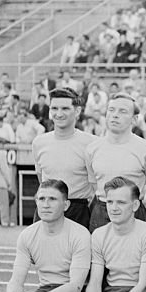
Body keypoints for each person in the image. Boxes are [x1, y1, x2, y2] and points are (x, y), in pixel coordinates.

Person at [84, 93, 146, 229]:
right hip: (101, 212)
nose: (115, 115)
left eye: (122, 111)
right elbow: (93, 188)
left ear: (134, 119)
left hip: (135, 213)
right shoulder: (92, 149)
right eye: (111, 110)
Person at [31, 88, 95, 227]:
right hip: (46, 208)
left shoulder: (91, 144)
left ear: (77, 111)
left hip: (78, 211)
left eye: (65, 108)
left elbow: (96, 184)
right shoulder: (39, 143)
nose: (59, 114)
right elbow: (41, 177)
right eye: (54, 108)